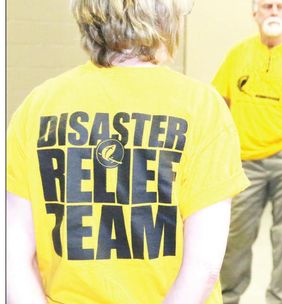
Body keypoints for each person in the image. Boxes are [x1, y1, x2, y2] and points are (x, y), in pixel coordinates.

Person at [6, 0, 250, 303]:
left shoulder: (38, 106)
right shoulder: (202, 108)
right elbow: (204, 268)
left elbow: (14, 257)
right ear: (166, 17)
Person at [211, 0, 282, 303]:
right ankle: (228, 297)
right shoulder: (238, 53)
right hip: (245, 163)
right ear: (254, 13)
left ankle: (281, 299)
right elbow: (219, 101)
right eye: (266, 5)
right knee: (236, 238)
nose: (273, 11)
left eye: (279, 5)